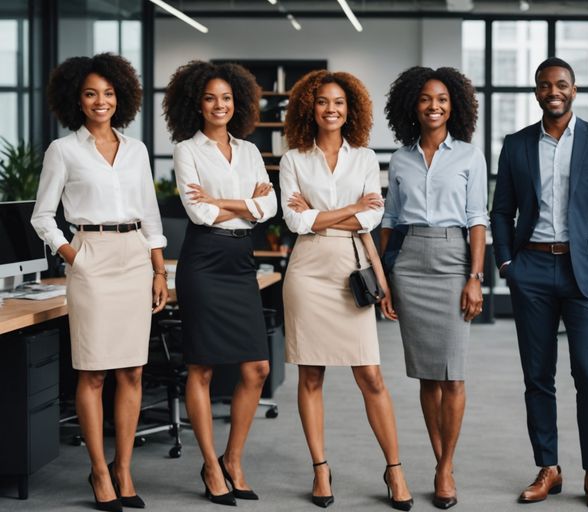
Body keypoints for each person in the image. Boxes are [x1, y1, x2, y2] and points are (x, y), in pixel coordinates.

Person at [31, 53, 169, 512]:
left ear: (121, 97)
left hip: (134, 257)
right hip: (91, 258)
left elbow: (150, 214)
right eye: (91, 93)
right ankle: (98, 469)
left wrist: (158, 269)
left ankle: (124, 467)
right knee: (92, 372)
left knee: (131, 369)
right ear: (77, 98)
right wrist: (73, 255)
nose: (100, 101)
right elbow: (42, 216)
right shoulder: (63, 150)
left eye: (109, 93)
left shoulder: (136, 150)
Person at [490, 57, 588, 511]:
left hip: (584, 274)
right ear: (536, 92)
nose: (554, 91)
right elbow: (501, 210)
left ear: (575, 89)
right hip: (531, 270)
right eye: (546, 85)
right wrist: (508, 263)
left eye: (562, 84)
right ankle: (548, 467)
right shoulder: (515, 144)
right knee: (537, 375)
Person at [278, 69, 413, 511]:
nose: (331, 109)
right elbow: (296, 223)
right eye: (322, 101)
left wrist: (325, 213)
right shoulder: (294, 158)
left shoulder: (364, 157)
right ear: (308, 108)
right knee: (310, 375)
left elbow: (371, 219)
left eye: (338, 102)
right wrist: (351, 207)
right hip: (307, 272)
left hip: (351, 269)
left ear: (349, 108)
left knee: (370, 375)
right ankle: (320, 468)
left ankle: (394, 468)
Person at [163, 60, 278, 506]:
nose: (219, 105)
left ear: (239, 103)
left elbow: (269, 210)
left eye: (227, 98)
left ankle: (234, 459)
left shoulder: (248, 151)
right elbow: (199, 213)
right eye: (211, 97)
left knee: (257, 368)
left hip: (239, 259)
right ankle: (210, 464)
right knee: (203, 366)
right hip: (204, 259)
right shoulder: (186, 149)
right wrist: (246, 204)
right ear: (197, 102)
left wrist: (226, 202)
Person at [380, 66, 488, 510]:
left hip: (453, 257)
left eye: (442, 99)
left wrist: (475, 277)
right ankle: (439, 460)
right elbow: (389, 220)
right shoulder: (401, 158)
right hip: (409, 262)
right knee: (428, 374)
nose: (434, 106)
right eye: (426, 98)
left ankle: (445, 468)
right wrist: (384, 277)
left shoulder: (468, 155)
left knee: (454, 373)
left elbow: (478, 218)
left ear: (454, 106)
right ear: (413, 105)